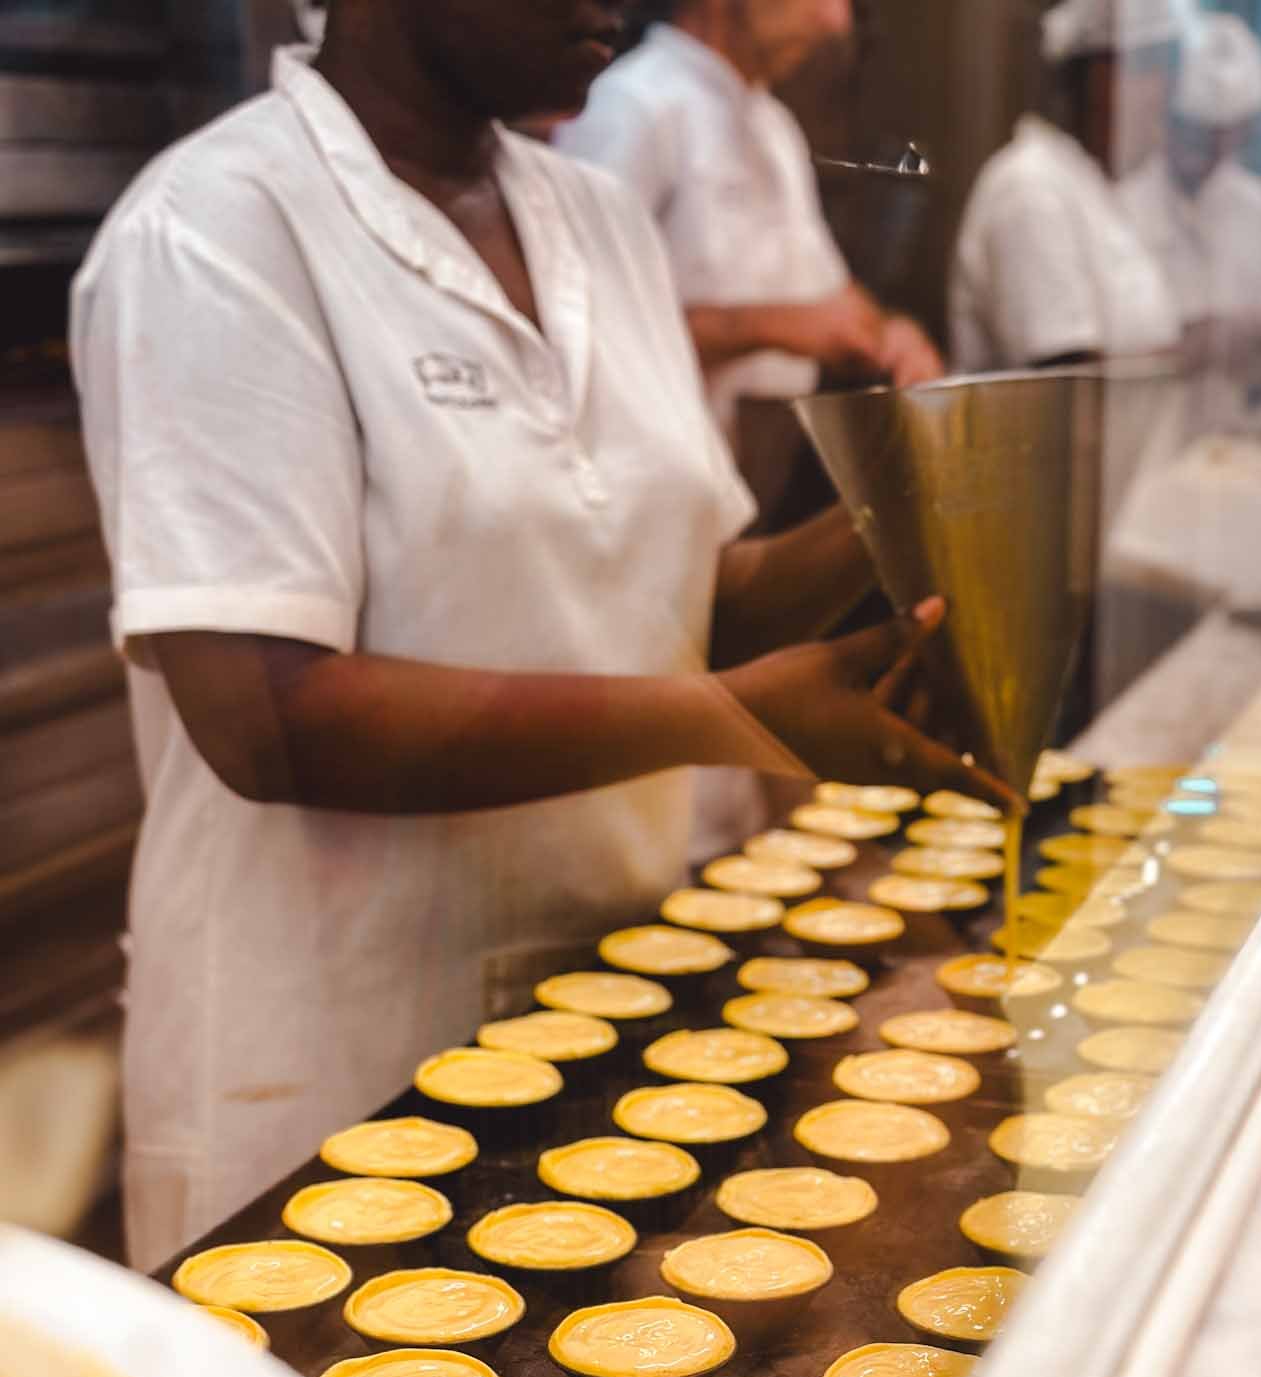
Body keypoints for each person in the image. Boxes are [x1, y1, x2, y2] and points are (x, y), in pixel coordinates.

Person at [71, 0, 991, 1272]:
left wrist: (906, 512)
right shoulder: (221, 228)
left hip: (610, 1011)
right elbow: (269, 715)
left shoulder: (597, 221)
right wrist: (742, 718)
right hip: (333, 1075)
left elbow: (669, 594)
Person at [555, 0, 942, 444]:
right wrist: (770, 327)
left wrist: (889, 331)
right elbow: (580, 327)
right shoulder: (631, 106)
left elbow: (825, 294)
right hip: (658, 460)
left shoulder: (774, 126)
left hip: (771, 455)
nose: (836, 21)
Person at [948, 0, 1183, 373]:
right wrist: (1198, 357)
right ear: (1090, 80)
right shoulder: (1030, 187)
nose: (1161, 95)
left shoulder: (1098, 188)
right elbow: (1067, 381)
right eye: (1144, 69)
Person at [1118, 11, 1261, 435]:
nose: (1201, 146)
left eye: (1218, 133)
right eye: (1189, 127)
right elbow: (1112, 360)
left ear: (1242, 132)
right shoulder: (1121, 206)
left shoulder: (1256, 206)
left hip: (1233, 440)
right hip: (1144, 444)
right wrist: (1204, 339)